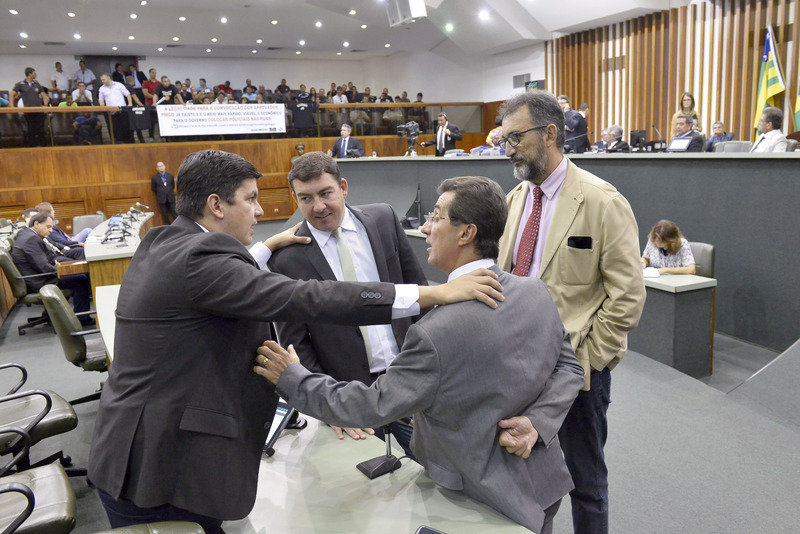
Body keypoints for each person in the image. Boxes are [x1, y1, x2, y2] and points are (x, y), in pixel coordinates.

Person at [87, 149, 503, 534]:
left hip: (149, 455)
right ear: (216, 205)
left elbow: (223, 284)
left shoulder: (168, 242)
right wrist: (433, 292)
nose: (260, 210)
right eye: (250, 199)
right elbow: (306, 297)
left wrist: (265, 246)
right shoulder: (201, 258)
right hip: (159, 471)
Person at [256, 175, 584, 534]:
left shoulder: (435, 333)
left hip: (476, 499)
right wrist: (537, 422)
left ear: (466, 233)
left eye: (436, 217)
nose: (425, 228)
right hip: (544, 484)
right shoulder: (535, 291)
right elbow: (570, 368)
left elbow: (371, 406)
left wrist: (292, 376)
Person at [496, 90, 646, 534]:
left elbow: (627, 296)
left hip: (578, 371)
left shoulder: (603, 201)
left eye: (516, 137)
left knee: (586, 483)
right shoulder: (515, 200)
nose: (508, 149)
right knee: (526, 479)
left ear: (550, 134)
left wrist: (589, 360)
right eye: (504, 139)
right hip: (519, 366)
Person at [268, 152, 428, 456]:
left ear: (343, 187)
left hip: (410, 379)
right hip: (348, 399)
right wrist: (327, 405)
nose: (318, 206)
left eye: (325, 193)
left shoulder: (383, 220)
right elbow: (296, 343)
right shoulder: (286, 258)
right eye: (305, 198)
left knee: (432, 471)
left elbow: (419, 294)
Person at [11, 212, 92, 323]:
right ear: (36, 224)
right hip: (39, 281)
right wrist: (66, 270)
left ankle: (59, 314)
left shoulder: (26, 233)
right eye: (48, 227)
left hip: (36, 277)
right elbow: (44, 268)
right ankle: (83, 319)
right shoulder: (31, 239)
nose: (51, 230)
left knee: (77, 274)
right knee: (80, 279)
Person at [12, 67, 50, 147]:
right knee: (31, 129)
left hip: (39, 110)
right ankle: (32, 146)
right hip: (29, 111)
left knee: (41, 129)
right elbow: (12, 95)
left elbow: (43, 95)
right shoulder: (20, 84)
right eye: (34, 73)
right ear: (29, 74)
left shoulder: (37, 84)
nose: (36, 74)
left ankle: (43, 146)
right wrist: (12, 107)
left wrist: (46, 105)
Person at [98, 73, 133, 144]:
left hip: (122, 110)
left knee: (126, 126)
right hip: (112, 112)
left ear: (108, 78)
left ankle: (128, 142)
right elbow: (101, 99)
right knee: (116, 128)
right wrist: (102, 104)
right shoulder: (102, 88)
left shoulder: (119, 85)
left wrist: (130, 103)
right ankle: (119, 142)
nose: (102, 81)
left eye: (103, 79)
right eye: (101, 80)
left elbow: (128, 94)